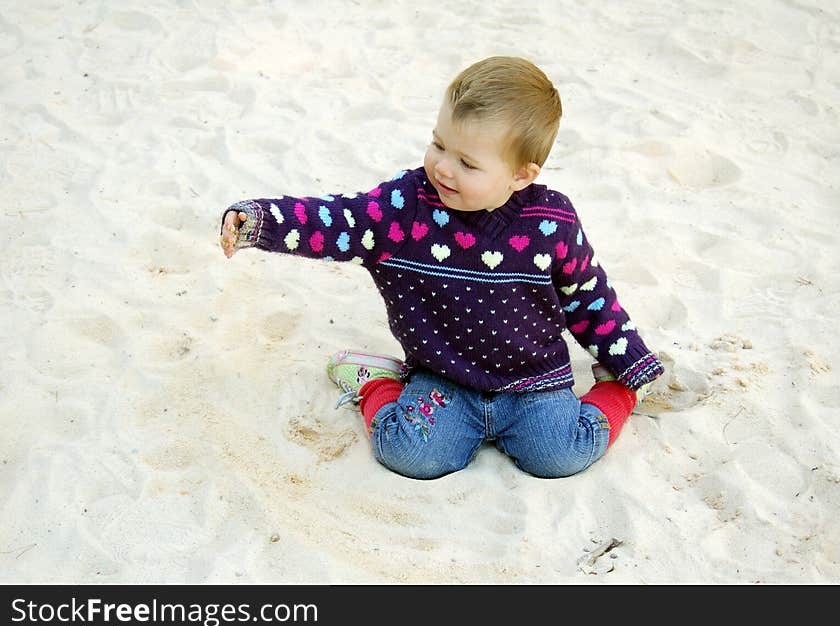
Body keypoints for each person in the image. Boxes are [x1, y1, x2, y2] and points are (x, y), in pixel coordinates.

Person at [220, 56, 664, 479]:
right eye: (438, 144)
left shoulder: (553, 222)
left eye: (467, 163)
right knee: (410, 455)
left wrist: (631, 363)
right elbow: (341, 221)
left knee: (560, 455)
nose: (443, 168)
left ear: (521, 175)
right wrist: (262, 220)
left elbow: (589, 297)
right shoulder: (405, 208)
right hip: (444, 378)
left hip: (533, 380)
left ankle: (617, 388)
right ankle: (377, 380)